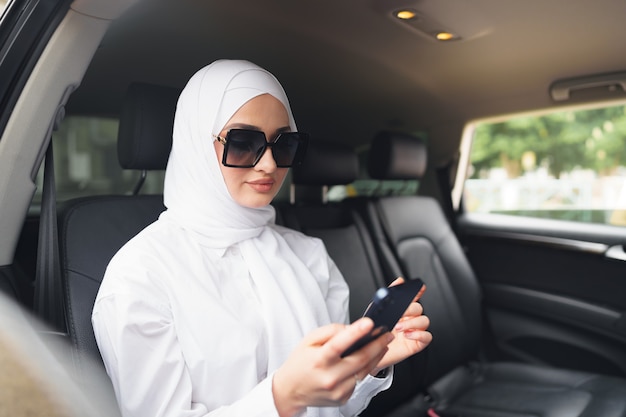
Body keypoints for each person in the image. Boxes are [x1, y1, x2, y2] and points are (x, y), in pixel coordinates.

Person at [92, 59, 431, 417]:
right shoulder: (141, 276)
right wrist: (282, 397)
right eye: (243, 142)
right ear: (196, 143)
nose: (269, 164)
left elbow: (336, 409)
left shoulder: (309, 254)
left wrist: (364, 366)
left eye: (284, 145)